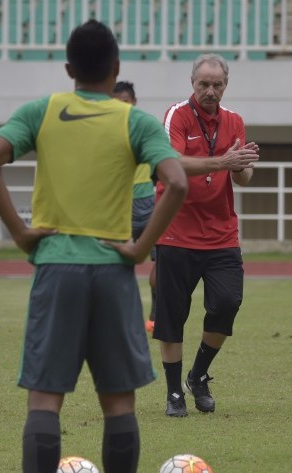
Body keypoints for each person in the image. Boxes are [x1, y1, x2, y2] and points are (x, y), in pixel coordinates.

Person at [0, 20, 187, 473]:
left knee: (45, 400)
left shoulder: (41, 112)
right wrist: (139, 249)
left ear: (69, 70)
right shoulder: (133, 120)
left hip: (58, 269)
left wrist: (23, 233)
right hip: (114, 272)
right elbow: (177, 181)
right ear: (115, 70)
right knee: (119, 403)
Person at [154, 53, 259, 418]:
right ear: (192, 83)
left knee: (227, 303)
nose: (210, 90)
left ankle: (197, 376)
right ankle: (173, 393)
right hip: (175, 232)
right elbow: (172, 162)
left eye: (217, 84)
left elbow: (240, 177)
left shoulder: (234, 121)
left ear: (225, 85)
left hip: (221, 235)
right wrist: (223, 162)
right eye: (204, 84)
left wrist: (243, 163)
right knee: (172, 316)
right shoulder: (177, 115)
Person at [112, 80, 158, 332]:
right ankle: (134, 318)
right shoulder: (106, 130)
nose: (122, 108)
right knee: (120, 265)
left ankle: (153, 317)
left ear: (134, 102)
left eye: (125, 103)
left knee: (160, 261)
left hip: (146, 204)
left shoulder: (141, 127)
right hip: (121, 206)